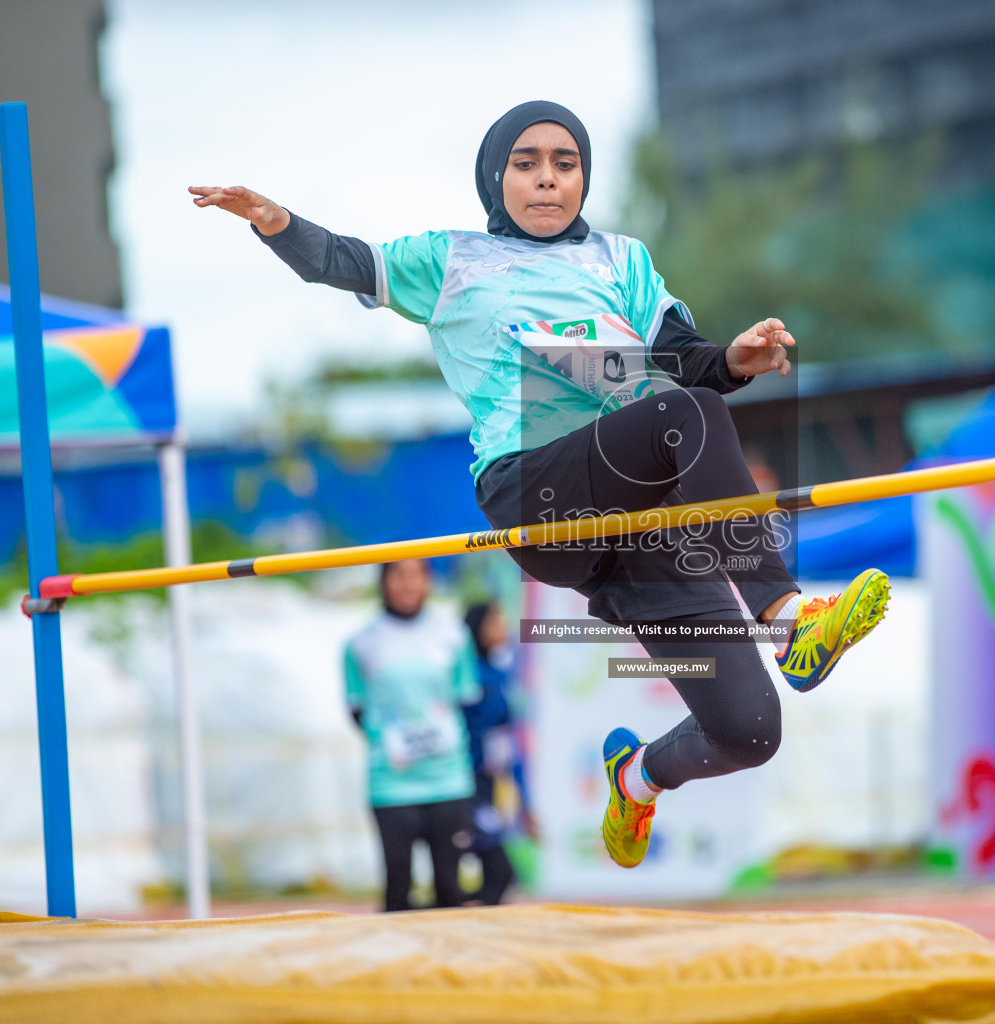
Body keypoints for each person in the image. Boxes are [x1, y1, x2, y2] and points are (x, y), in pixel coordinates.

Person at [190, 100, 891, 871]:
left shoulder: (622, 261)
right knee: (684, 414)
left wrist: (736, 360)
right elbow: (344, 260)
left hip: (644, 520)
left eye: (566, 163)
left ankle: (638, 776)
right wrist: (272, 218)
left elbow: (684, 359)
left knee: (749, 731)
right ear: (497, 177)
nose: (549, 180)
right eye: (527, 164)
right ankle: (788, 616)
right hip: (537, 493)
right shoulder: (451, 259)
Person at [344, 559, 480, 911]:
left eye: (416, 575)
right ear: (384, 582)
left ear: (428, 582)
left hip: (448, 780)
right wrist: (396, 743)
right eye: (398, 575)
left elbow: (466, 700)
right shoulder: (360, 643)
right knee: (397, 887)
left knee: (451, 888)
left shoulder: (453, 636)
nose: (407, 585)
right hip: (391, 785)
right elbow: (356, 710)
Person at [460, 600, 532, 905]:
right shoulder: (466, 675)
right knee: (499, 870)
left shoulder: (500, 674)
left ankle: (464, 921)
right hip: (462, 784)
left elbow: (507, 745)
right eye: (494, 623)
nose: (503, 629)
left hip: (487, 785)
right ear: (476, 629)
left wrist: (525, 803)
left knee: (499, 874)